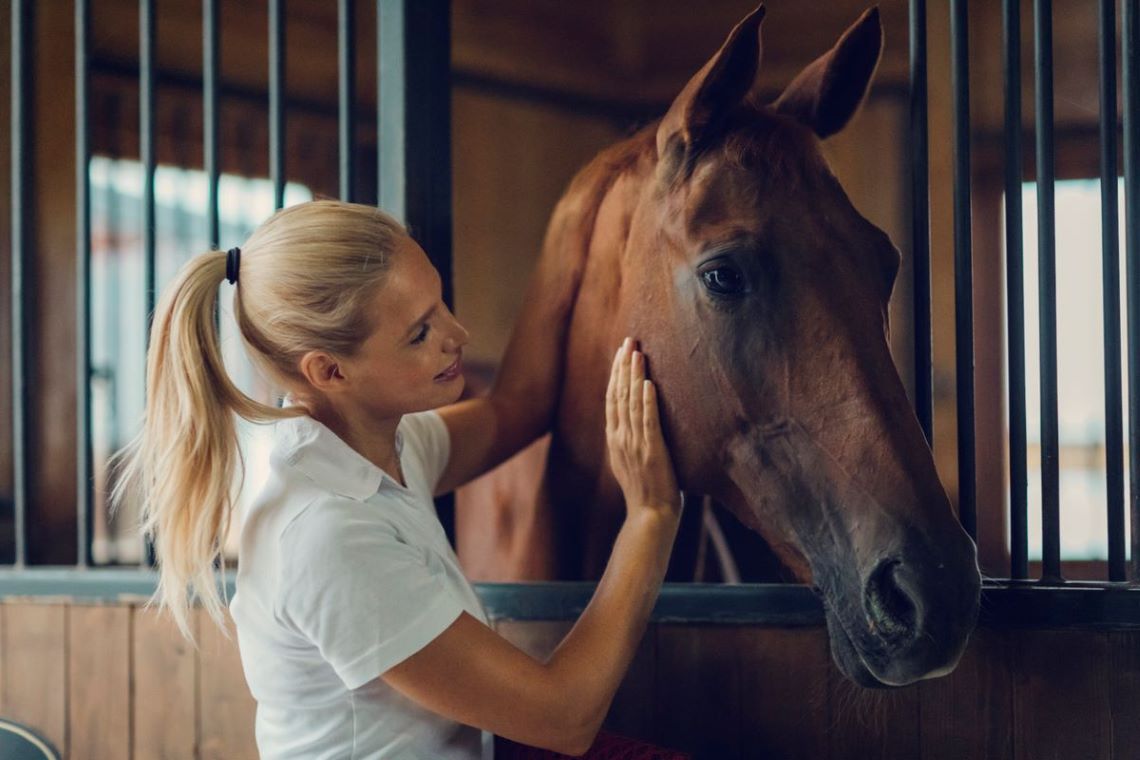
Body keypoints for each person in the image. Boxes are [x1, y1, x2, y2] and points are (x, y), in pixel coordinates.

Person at [111, 200, 684, 759]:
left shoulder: (382, 444)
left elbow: (517, 407)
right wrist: (650, 518)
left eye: (441, 305)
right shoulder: (327, 533)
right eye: (419, 333)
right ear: (330, 370)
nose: (457, 334)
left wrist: (574, 219)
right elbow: (564, 719)